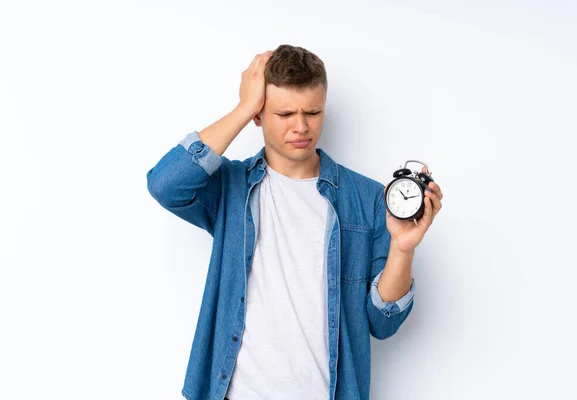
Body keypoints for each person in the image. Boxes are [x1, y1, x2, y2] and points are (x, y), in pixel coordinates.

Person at [146, 44, 443, 400]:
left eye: (313, 112)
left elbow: (383, 323)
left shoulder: (368, 199)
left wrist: (402, 248)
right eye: (284, 113)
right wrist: (242, 108)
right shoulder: (231, 188)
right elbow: (166, 184)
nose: (301, 127)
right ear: (259, 115)